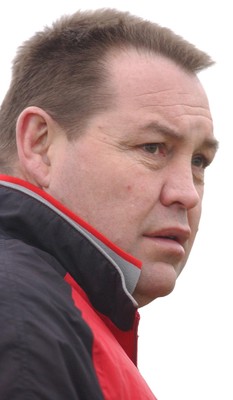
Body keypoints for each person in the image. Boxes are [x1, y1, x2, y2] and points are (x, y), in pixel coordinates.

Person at [0, 7, 218, 400]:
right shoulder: (20, 317)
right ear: (39, 145)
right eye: (153, 148)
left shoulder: (58, 315)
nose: (187, 193)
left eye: (199, 161)